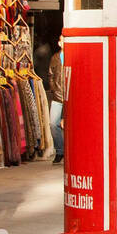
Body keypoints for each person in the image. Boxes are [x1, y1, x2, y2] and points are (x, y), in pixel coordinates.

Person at [48, 35, 65, 164]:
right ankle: (60, 151)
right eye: (62, 40)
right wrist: (54, 89)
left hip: (71, 95)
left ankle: (68, 151)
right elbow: (50, 75)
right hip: (58, 95)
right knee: (53, 123)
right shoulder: (55, 58)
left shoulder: (73, 55)